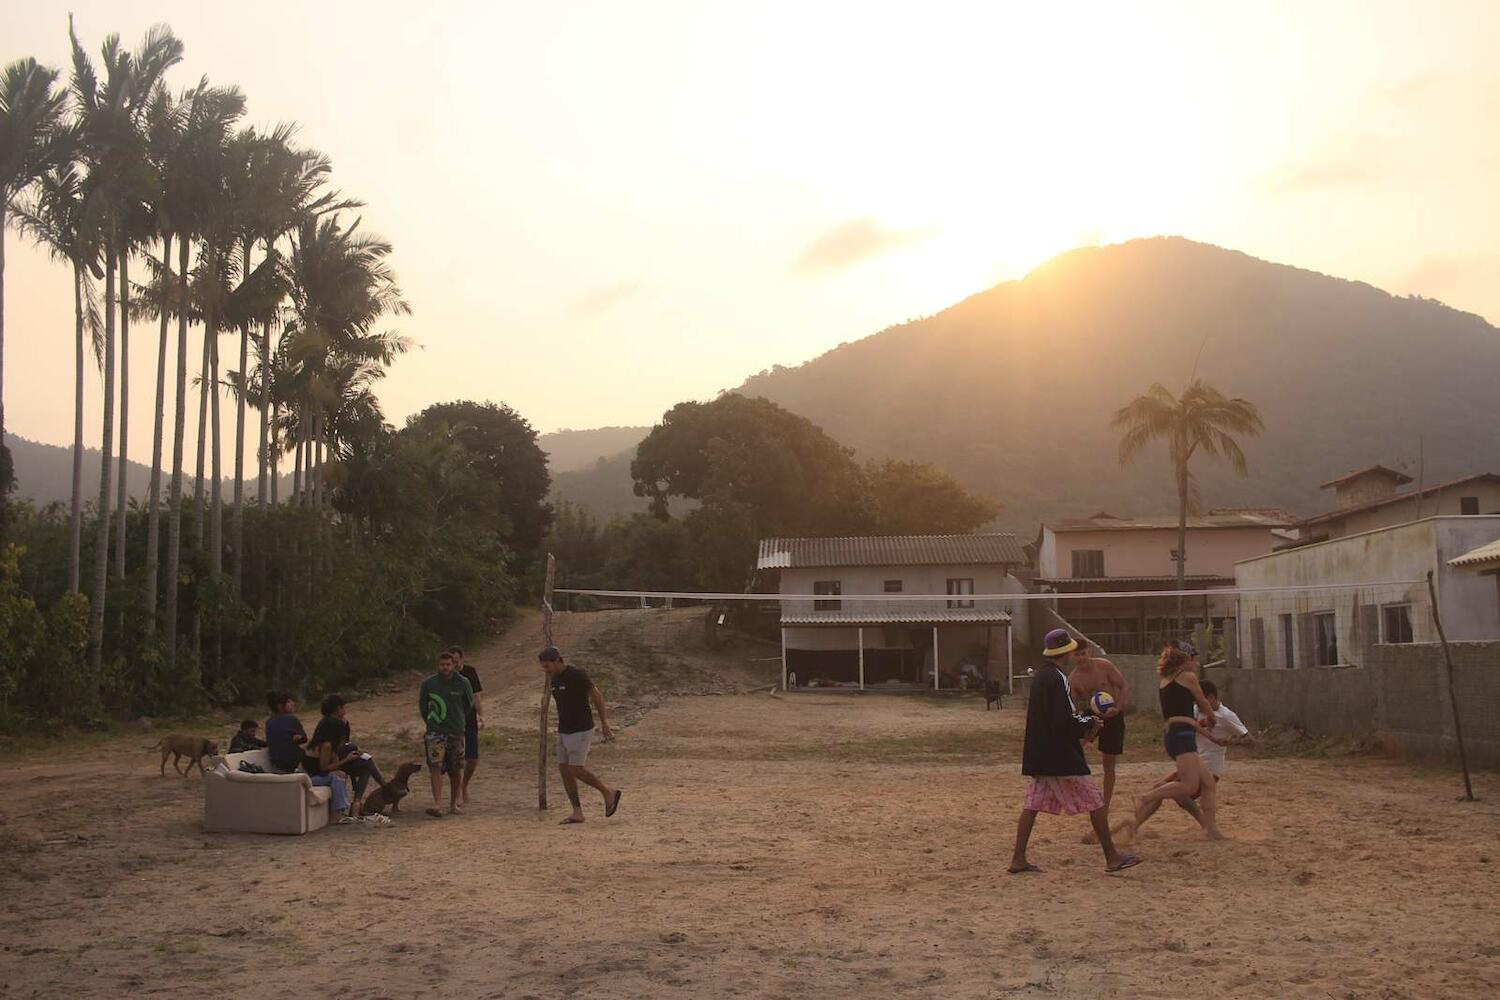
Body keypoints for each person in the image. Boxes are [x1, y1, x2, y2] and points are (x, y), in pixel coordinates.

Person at [1009, 629, 1139, 874]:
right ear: (1066, 651)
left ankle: (1018, 859)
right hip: (1059, 755)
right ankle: (1112, 857)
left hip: (1041, 752)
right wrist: (1089, 724)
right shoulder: (1059, 678)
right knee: (1095, 801)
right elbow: (1063, 719)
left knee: (1032, 805)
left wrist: (1085, 724)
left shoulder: (1041, 676)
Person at [1092, 680, 1252, 843]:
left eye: (1199, 699)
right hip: (1194, 760)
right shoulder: (1196, 710)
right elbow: (1192, 726)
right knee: (1167, 790)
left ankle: (1136, 817)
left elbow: (1249, 739)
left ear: (1210, 697)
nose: (1197, 703)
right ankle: (1132, 827)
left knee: (1176, 792)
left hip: (1210, 766)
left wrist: (1229, 741)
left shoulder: (1226, 715)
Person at [1129, 640, 1226, 840]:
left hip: (1174, 733)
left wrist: (1207, 733)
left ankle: (1211, 829)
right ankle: (1143, 797)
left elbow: (1179, 714)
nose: (1197, 665)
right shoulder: (1187, 677)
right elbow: (1203, 702)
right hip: (1182, 735)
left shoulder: (1165, 679)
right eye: (1195, 660)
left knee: (1208, 783)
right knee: (1190, 786)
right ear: (1186, 659)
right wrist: (1212, 718)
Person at [539, 646, 622, 824]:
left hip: (581, 728)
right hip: (564, 729)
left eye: (548, 666)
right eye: (544, 667)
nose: (546, 671)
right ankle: (577, 811)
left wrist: (604, 723)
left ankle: (608, 792)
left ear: (558, 660)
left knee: (576, 768)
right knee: (564, 769)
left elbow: (596, 695)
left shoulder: (577, 674)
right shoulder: (553, 679)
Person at [1067, 641, 1130, 809]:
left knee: (1108, 761)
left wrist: (1117, 708)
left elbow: (1123, 686)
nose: (1081, 658)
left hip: (1113, 716)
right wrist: (1080, 718)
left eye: (1083, 653)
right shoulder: (1073, 679)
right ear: (1071, 656)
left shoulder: (1104, 666)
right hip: (1091, 715)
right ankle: (1076, 789)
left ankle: (1106, 803)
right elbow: (1073, 706)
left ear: (1089, 652)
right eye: (1077, 654)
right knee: (1074, 748)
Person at [419, 650, 474, 818]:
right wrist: (431, 722)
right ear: (438, 665)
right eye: (442, 665)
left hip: (456, 731)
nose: (445, 668)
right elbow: (423, 705)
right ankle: (437, 804)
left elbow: (468, 704)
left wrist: (457, 720)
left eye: (448, 664)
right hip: (436, 732)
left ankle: (453, 803)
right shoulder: (429, 683)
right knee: (435, 765)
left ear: (454, 665)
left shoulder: (463, 683)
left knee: (456, 768)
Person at [310, 694, 387, 810]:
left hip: (332, 763)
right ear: (338, 709)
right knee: (366, 763)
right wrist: (347, 759)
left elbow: (339, 749)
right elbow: (324, 766)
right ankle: (383, 789)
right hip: (320, 772)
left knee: (365, 763)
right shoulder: (329, 735)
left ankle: (357, 802)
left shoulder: (333, 723)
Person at [450, 646, 485, 806]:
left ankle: (464, 785)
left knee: (472, 757)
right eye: (451, 662)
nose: (454, 665)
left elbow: (476, 694)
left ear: (461, 659)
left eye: (456, 662)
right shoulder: (446, 675)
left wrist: (481, 714)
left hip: (469, 718)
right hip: (453, 720)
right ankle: (457, 792)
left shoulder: (470, 672)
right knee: (456, 758)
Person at [264, 692, 308, 773]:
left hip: (277, 765)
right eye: (289, 702)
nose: (292, 704)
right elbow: (304, 739)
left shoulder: (268, 722)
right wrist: (299, 738)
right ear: (280, 706)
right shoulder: (291, 719)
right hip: (293, 763)